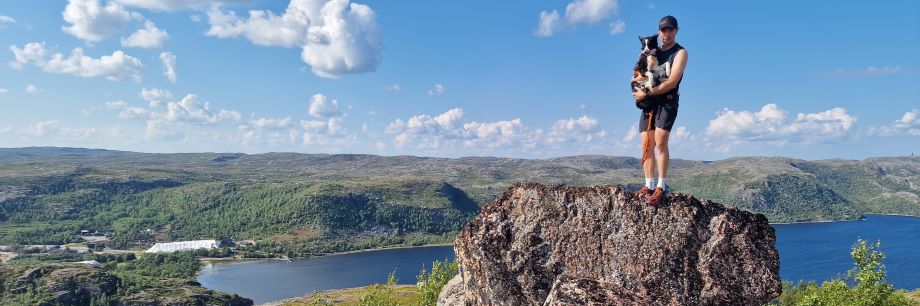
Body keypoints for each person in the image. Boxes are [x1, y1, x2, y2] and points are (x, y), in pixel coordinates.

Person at [631, 15, 688, 206]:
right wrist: (636, 85)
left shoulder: (680, 53)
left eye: (671, 30)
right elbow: (636, 75)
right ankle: (648, 185)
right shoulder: (649, 52)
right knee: (646, 144)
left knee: (661, 143)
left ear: (676, 31)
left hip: (667, 101)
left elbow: (671, 82)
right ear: (659, 32)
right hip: (649, 102)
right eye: (664, 30)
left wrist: (646, 94)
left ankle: (660, 187)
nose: (667, 33)